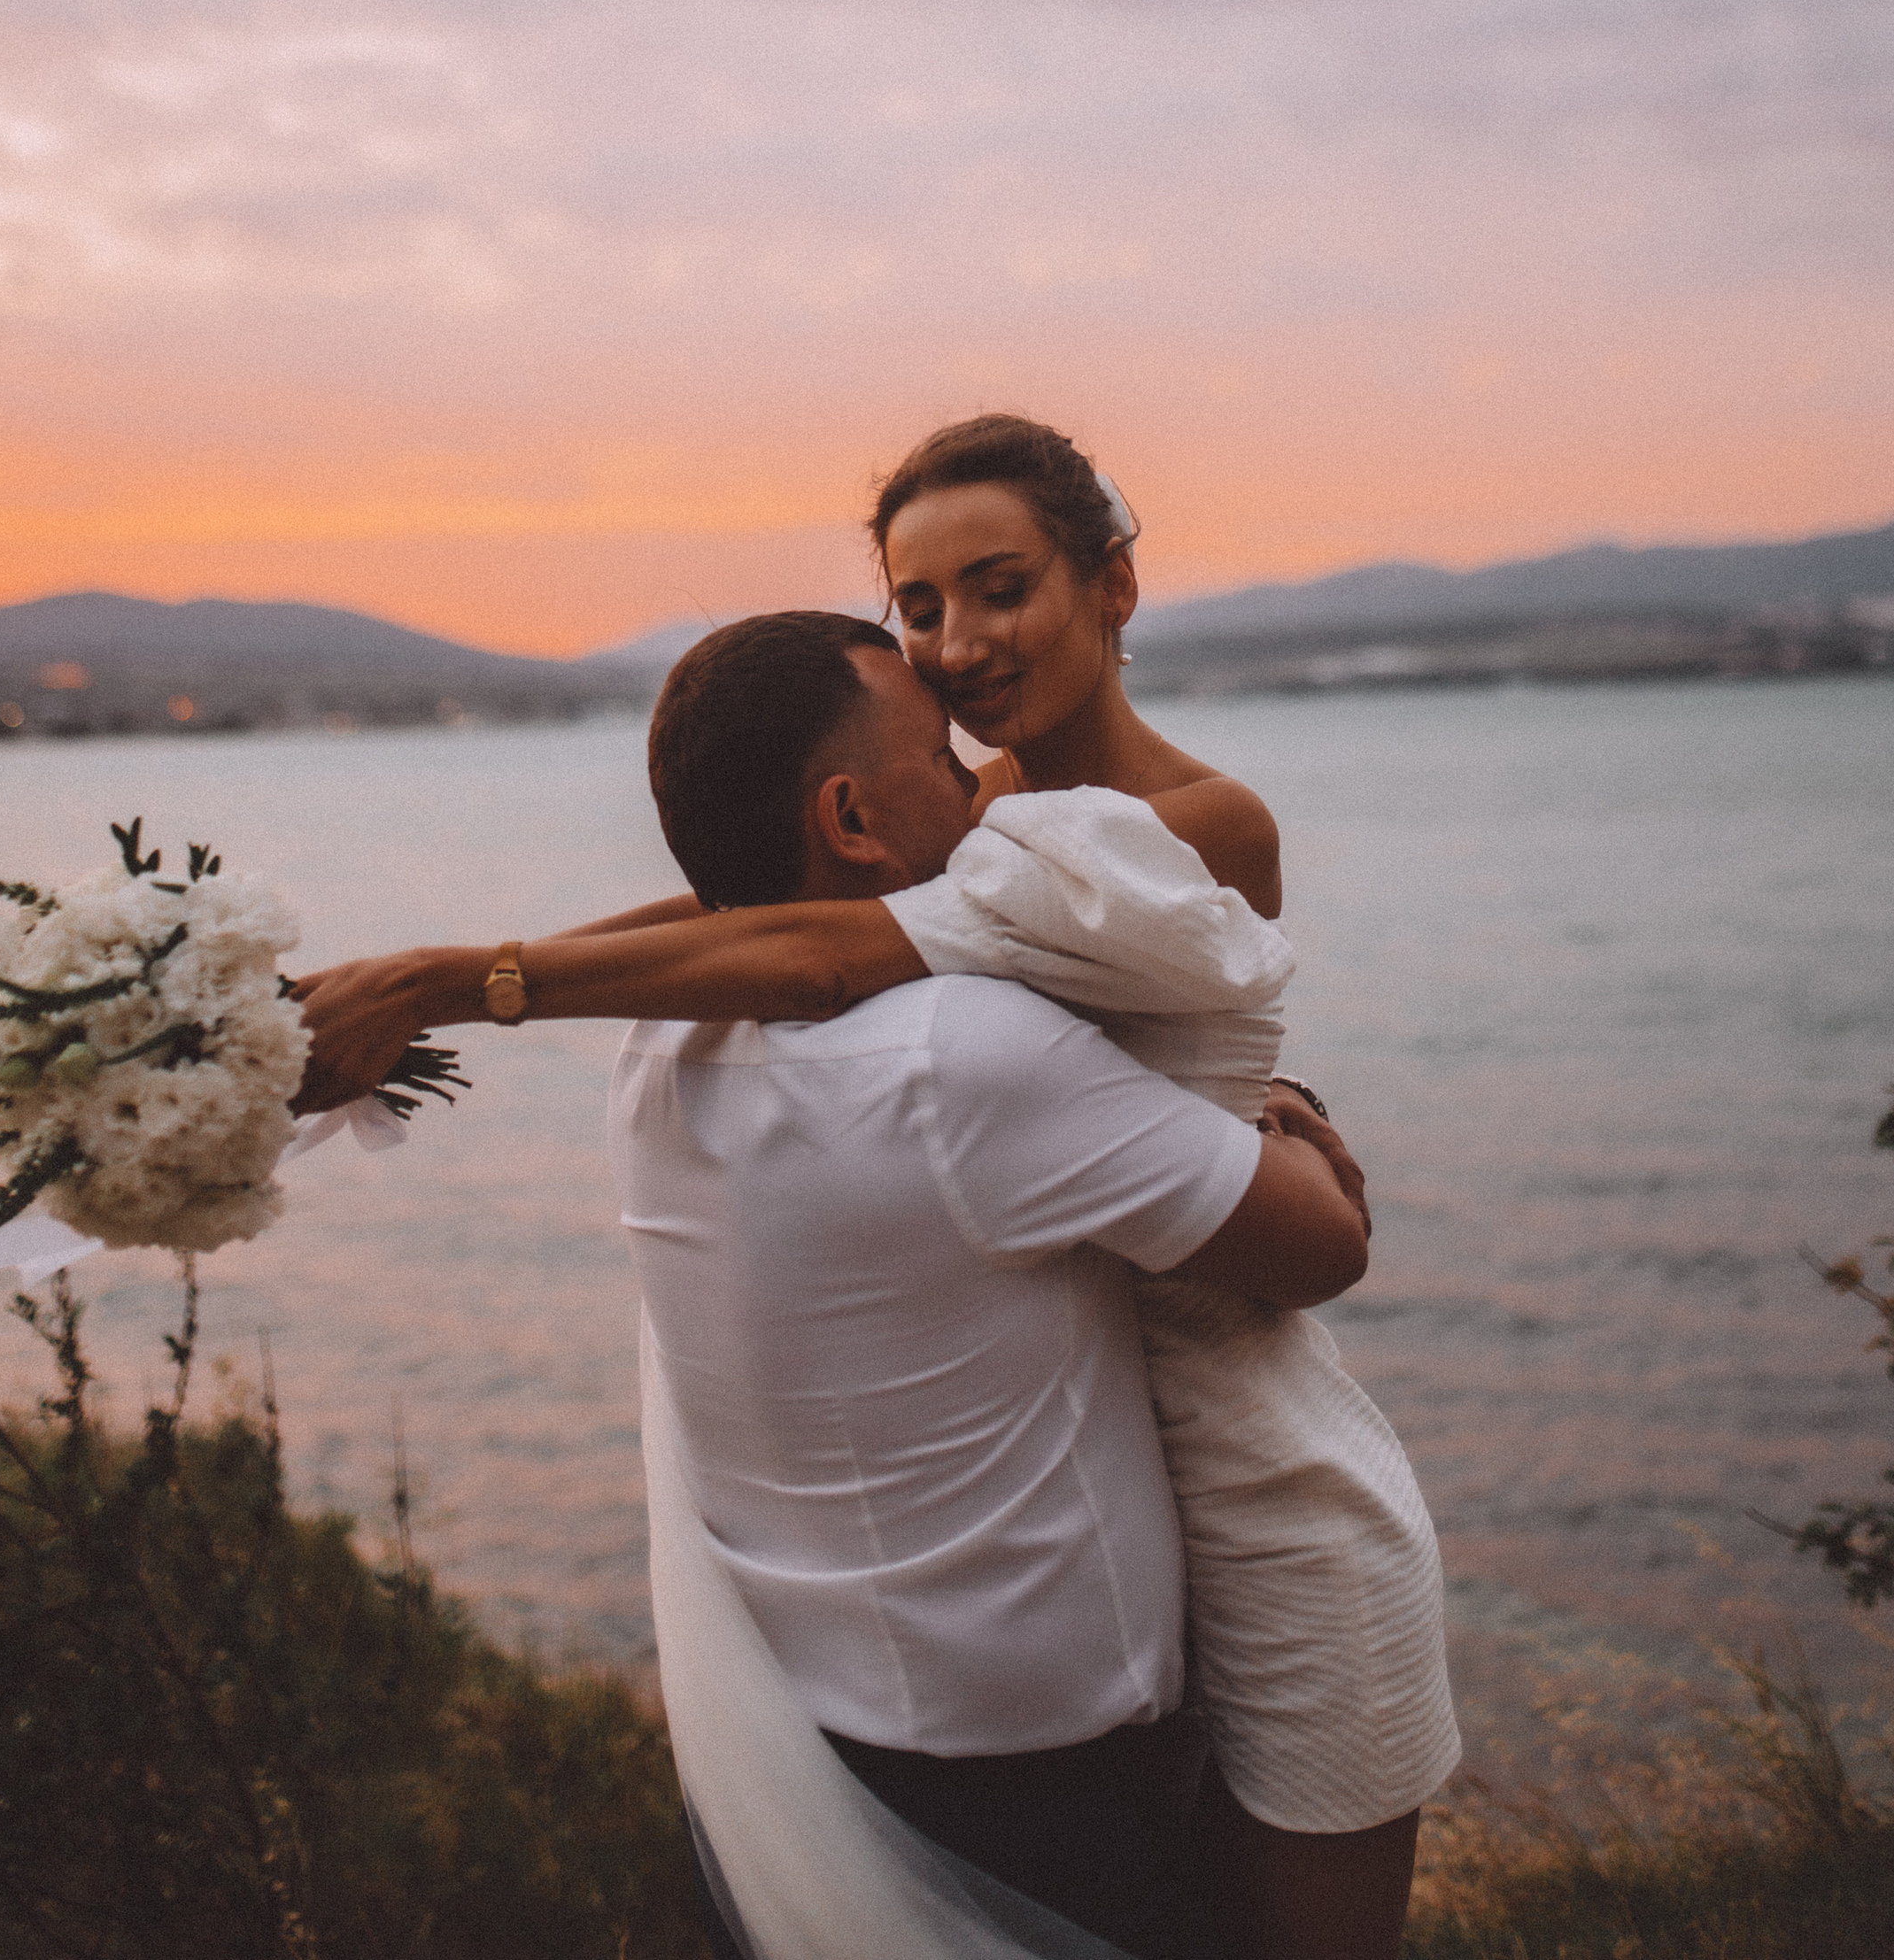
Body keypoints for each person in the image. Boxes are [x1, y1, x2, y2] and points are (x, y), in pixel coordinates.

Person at [295, 418, 1459, 1956]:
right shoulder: (969, 815)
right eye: (920, 606)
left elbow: (822, 950)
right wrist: (412, 988)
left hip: (1251, 1464)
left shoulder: (1187, 829)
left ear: (1113, 585)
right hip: (1114, 1494)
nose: (958, 644)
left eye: (1001, 588)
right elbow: (744, 908)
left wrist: (461, 981)